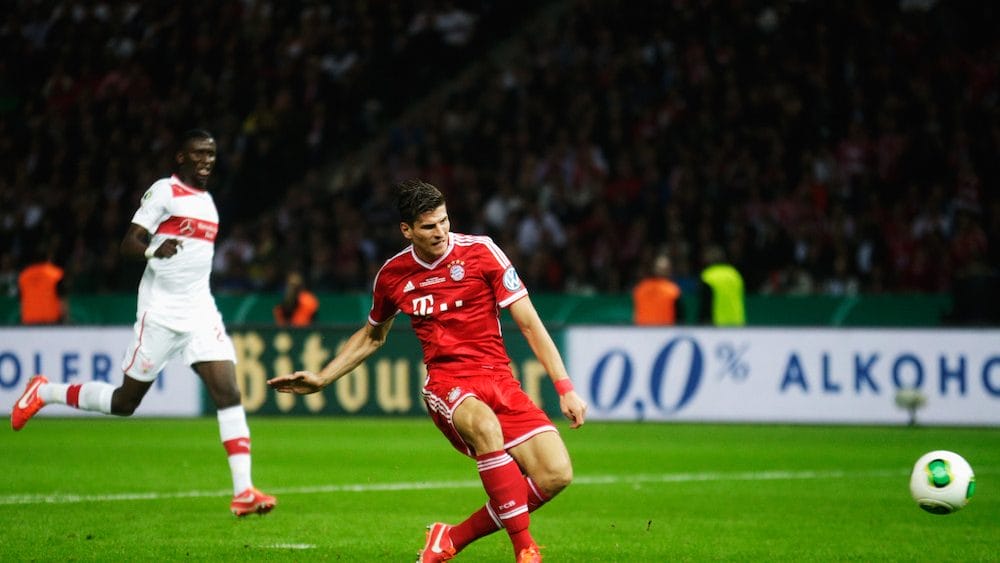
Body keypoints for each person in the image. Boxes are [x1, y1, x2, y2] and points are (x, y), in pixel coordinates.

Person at [267, 180, 587, 563]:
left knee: (556, 473)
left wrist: (564, 387)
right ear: (407, 230)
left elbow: (531, 324)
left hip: (499, 378)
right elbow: (373, 336)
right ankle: (526, 550)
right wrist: (323, 377)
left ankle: (449, 538)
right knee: (486, 428)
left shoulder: (483, 252)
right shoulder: (393, 275)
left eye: (444, 221)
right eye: (429, 226)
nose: (441, 232)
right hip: (448, 384)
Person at [10, 129, 275, 517]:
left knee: (229, 392)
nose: (206, 160)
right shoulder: (164, 193)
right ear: (180, 158)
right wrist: (153, 247)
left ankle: (244, 491)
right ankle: (45, 392)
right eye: (199, 153)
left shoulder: (209, 204)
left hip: (200, 312)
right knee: (124, 402)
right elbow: (128, 243)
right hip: (161, 314)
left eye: (212, 154)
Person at [17, 245, 68, 324]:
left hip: (29, 322)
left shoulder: (23, 276)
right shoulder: (55, 274)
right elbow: (62, 300)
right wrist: (66, 319)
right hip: (51, 321)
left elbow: (21, 302)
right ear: (48, 258)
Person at [698, 244, 746, 326]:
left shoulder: (708, 275)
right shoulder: (734, 274)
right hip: (737, 322)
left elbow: (705, 304)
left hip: (716, 324)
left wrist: (700, 322)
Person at [632, 253, 683, 325]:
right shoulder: (641, 288)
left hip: (665, 331)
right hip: (643, 331)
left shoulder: (673, 290)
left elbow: (679, 315)